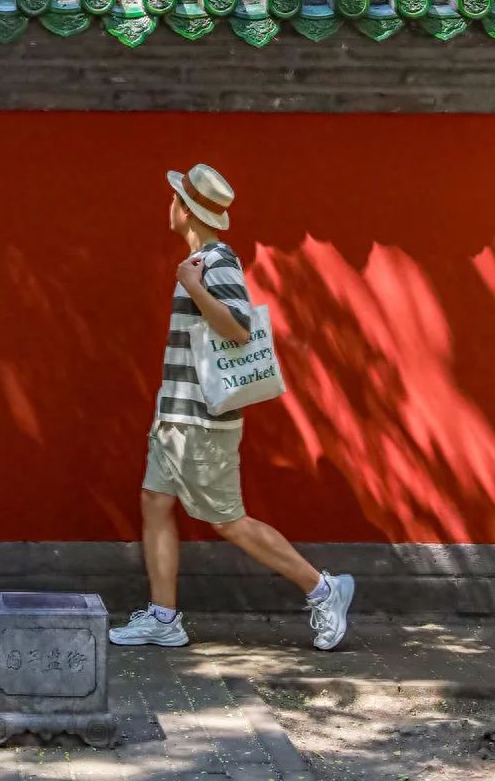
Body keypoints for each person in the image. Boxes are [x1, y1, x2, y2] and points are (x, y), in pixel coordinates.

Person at [110, 162, 354, 652]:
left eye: (174, 199)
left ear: (185, 210)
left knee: (226, 519)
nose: (169, 206)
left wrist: (195, 287)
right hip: (176, 414)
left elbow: (239, 329)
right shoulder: (201, 259)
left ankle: (324, 590)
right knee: (155, 502)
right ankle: (163, 617)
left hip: (201, 421)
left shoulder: (215, 262)